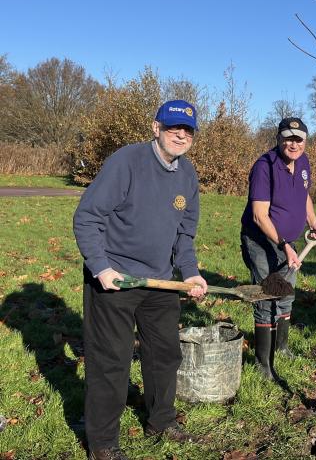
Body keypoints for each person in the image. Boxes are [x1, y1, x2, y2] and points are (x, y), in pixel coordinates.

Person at [74, 100, 208, 460]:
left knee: (165, 355)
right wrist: (101, 268)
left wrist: (191, 271)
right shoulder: (126, 162)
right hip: (116, 278)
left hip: (161, 281)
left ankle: (161, 420)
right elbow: (88, 217)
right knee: (111, 360)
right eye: (173, 127)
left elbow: (185, 234)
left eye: (188, 130)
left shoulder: (188, 175)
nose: (181, 134)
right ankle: (102, 442)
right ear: (156, 128)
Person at [240, 117, 316, 380]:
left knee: (286, 293)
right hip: (261, 241)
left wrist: (313, 222)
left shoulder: (303, 162)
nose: (293, 144)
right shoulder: (264, 166)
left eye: (298, 139)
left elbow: (305, 195)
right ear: (278, 138)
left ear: (305, 142)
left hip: (289, 243)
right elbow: (259, 216)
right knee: (266, 296)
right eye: (288, 138)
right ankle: (262, 361)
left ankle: (282, 347)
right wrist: (284, 245)